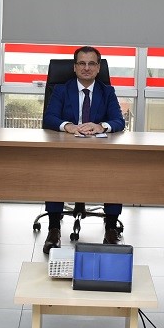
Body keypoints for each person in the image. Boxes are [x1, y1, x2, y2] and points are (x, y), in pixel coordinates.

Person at [42, 46, 125, 254]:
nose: (86, 68)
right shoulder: (62, 90)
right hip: (66, 150)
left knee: (115, 171)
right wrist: (68, 126)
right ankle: (54, 229)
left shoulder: (107, 91)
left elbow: (119, 121)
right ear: (74, 67)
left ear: (98, 68)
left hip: (99, 152)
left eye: (91, 64)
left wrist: (101, 126)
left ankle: (111, 228)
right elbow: (49, 118)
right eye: (82, 63)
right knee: (54, 169)